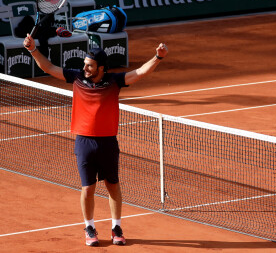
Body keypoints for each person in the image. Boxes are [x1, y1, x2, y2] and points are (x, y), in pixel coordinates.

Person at [23, 33, 168, 247]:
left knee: (113, 185)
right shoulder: (76, 78)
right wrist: (33, 49)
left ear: (101, 68)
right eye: (85, 65)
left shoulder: (114, 81)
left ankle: (116, 227)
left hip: (108, 142)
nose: (85, 69)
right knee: (88, 188)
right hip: (84, 143)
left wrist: (158, 58)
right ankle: (89, 227)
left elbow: (139, 73)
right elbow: (49, 68)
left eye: (89, 66)